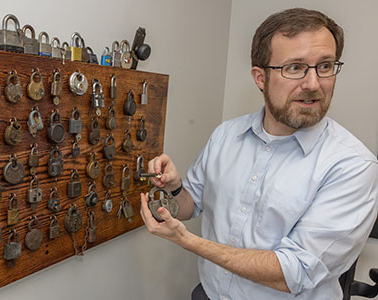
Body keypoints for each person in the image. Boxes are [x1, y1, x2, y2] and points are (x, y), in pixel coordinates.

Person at [140, 8, 378, 300]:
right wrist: (175, 188)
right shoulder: (226, 136)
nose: (314, 83)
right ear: (260, 77)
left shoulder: (352, 165)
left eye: (325, 66)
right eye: (294, 68)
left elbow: (293, 273)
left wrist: (187, 241)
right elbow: (192, 206)